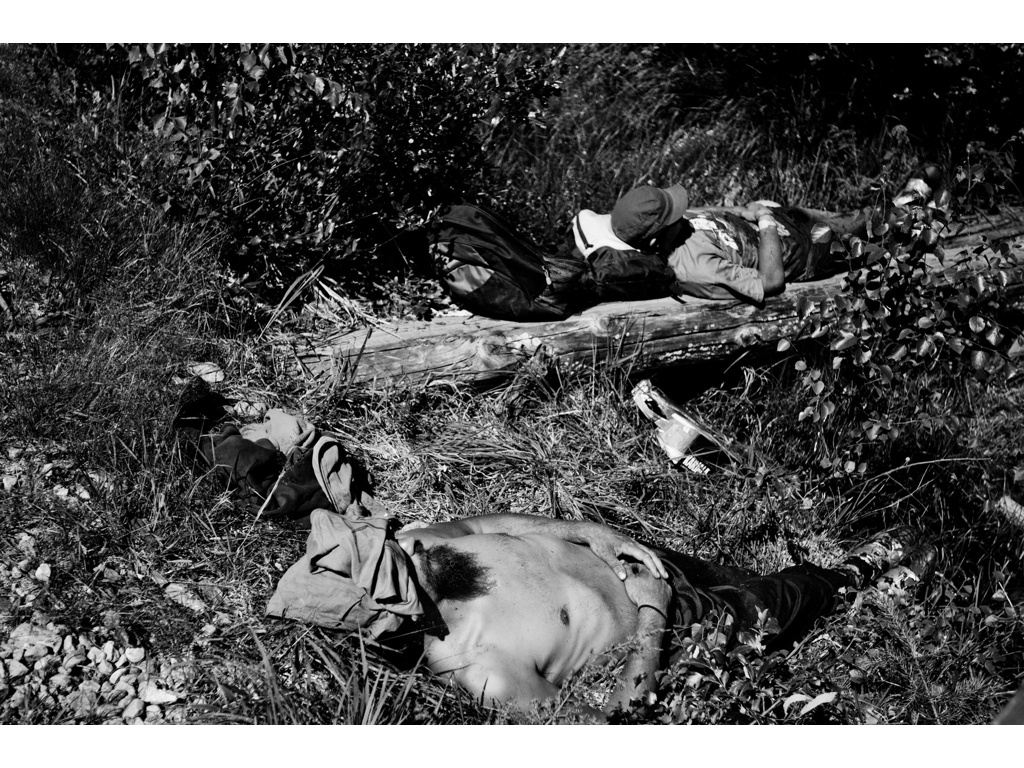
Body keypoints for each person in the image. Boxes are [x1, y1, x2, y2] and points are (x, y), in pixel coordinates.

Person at [267, 503, 935, 717]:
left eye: (388, 546)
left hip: (648, 560)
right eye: (397, 569)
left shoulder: (419, 546)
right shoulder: (483, 669)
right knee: (779, 602)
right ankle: (858, 577)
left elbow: (494, 522)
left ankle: (841, 578)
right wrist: (652, 615)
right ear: (397, 616)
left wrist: (593, 532)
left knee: (741, 575)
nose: (410, 549)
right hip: (682, 622)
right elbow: (608, 720)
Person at [577, 164, 947, 305]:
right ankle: (923, 216)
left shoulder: (673, 225)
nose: (681, 212)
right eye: (673, 213)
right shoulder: (693, 268)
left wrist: (747, 210)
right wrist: (766, 222)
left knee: (855, 217)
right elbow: (770, 281)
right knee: (876, 247)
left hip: (788, 221)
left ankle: (905, 205)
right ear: (656, 239)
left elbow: (710, 213)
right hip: (809, 253)